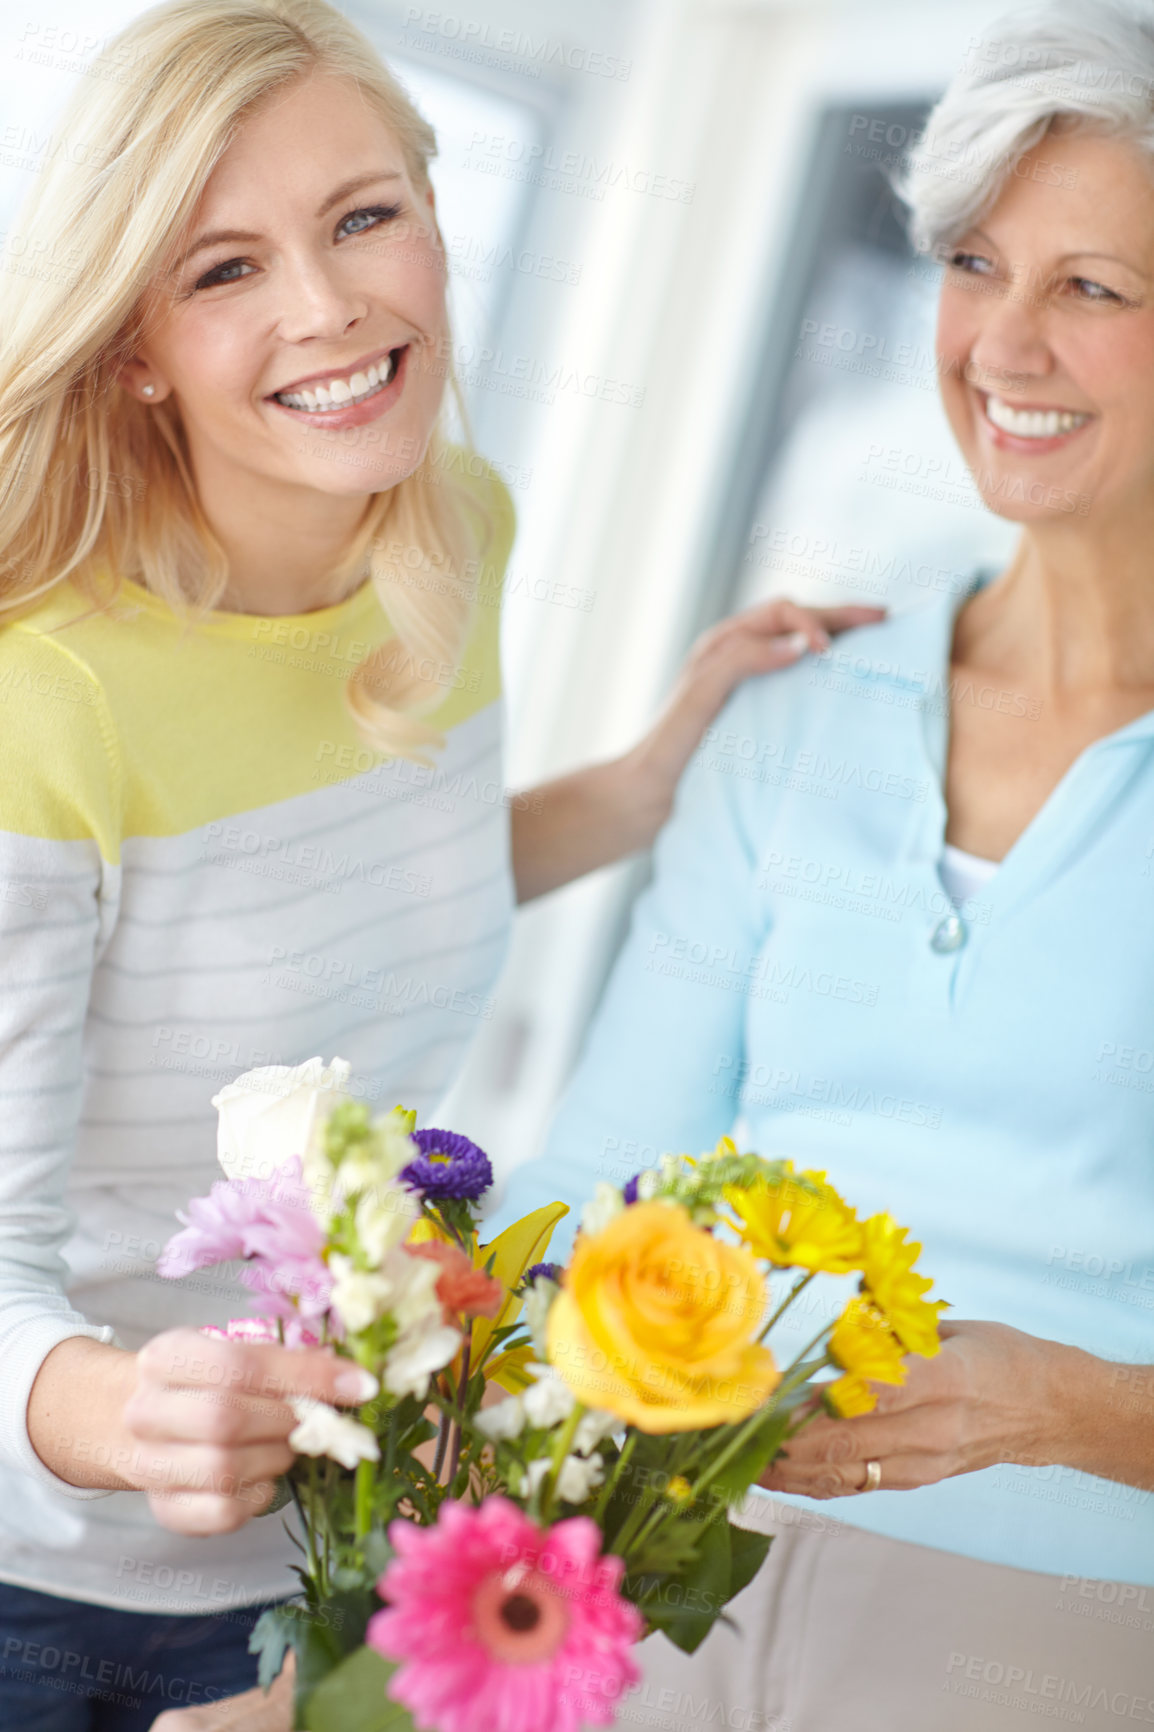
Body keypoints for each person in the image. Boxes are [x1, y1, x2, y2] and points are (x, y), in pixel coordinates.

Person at [0, 0, 878, 1726]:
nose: (328, 310)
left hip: (333, 1559)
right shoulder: (48, 699)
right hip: (44, 1587)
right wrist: (117, 1411)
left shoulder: (454, 527)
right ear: (133, 348)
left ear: (432, 217)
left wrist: (650, 777)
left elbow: (367, 893)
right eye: (222, 267)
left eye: (361, 216)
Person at [490, 2, 1154, 1726]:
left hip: (1071, 1608)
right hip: (673, 1550)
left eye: (1092, 288)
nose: (1000, 343)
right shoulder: (802, 705)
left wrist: (1081, 1408)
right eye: (973, 262)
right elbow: (606, 1164)